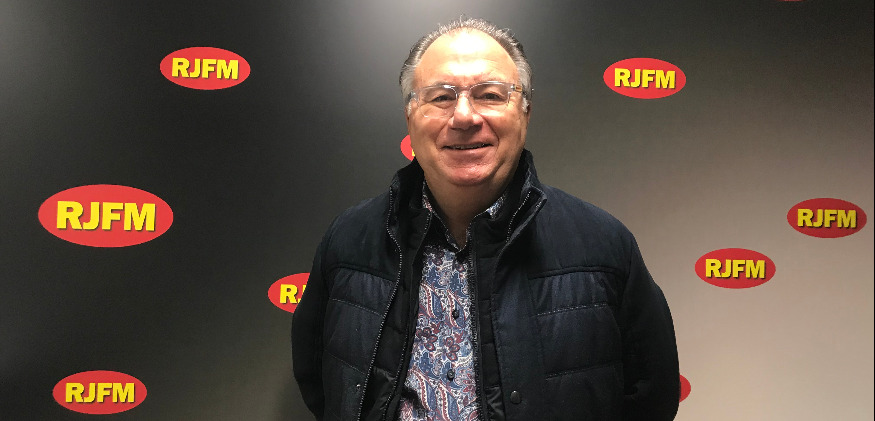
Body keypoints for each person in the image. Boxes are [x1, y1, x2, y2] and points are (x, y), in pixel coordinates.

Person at [292, 17, 680, 421]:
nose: (464, 116)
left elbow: (651, 394)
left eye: (490, 95)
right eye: (441, 97)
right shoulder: (348, 240)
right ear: (410, 115)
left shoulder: (604, 246)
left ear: (525, 112)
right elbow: (321, 381)